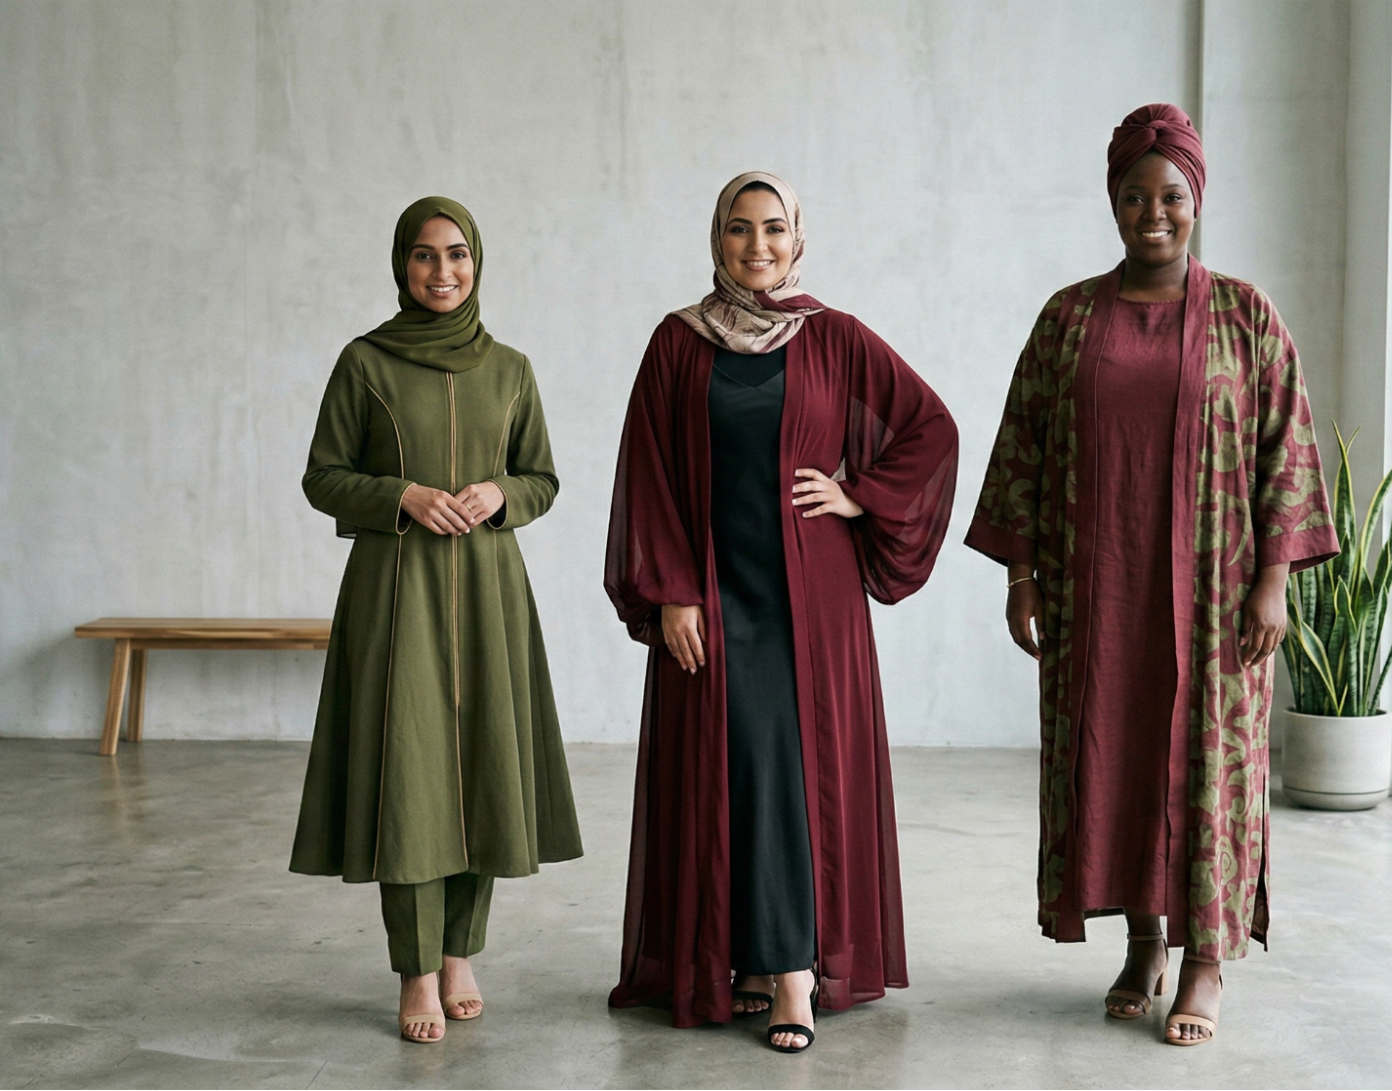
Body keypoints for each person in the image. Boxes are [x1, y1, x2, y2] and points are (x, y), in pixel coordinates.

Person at [964, 105, 1338, 1047]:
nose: (1152, 213)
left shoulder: (1246, 317)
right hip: (1100, 597)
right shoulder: (1067, 318)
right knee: (1120, 763)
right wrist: (1021, 575)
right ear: (1113, 202)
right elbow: (1022, 449)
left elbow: (1284, 452)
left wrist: (1272, 584)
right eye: (1134, 196)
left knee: (1206, 770)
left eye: (1170, 195)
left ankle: (1205, 959)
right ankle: (1142, 945)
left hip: (1215, 604)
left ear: (1196, 199)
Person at [604, 172, 958, 1053]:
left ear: (797, 240)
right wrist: (672, 588)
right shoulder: (678, 343)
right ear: (715, 239)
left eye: (773, 230)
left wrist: (856, 493)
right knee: (730, 767)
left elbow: (930, 427)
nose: (756, 247)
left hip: (812, 598)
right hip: (716, 591)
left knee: (795, 772)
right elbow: (646, 470)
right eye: (738, 230)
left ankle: (793, 972)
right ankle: (747, 959)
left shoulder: (832, 338)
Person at [290, 196, 582, 1045]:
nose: (442, 271)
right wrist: (401, 496)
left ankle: (461, 952)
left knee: (485, 769)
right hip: (395, 591)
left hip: (489, 592)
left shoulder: (512, 368)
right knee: (409, 777)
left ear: (477, 261)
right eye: (424, 256)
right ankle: (415, 969)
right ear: (400, 265)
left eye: (456, 254)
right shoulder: (365, 363)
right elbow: (322, 476)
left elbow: (542, 478)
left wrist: (501, 493)